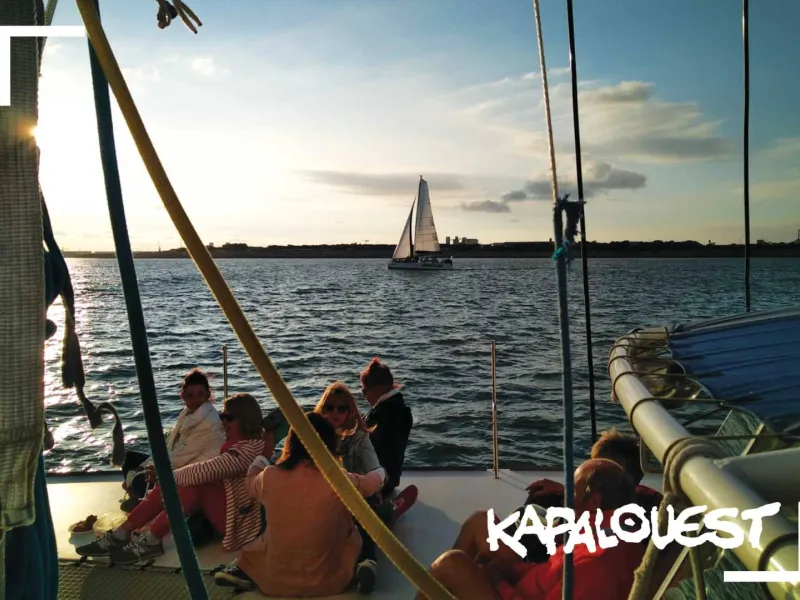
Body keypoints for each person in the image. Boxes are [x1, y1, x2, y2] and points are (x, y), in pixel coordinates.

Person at [76, 393, 269, 564]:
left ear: (245, 420)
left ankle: (150, 539)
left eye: (229, 417)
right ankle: (122, 533)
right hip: (229, 509)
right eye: (221, 416)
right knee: (180, 482)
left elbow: (205, 471)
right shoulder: (241, 444)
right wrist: (166, 478)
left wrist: (164, 476)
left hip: (240, 524)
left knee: (195, 484)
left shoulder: (247, 451)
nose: (223, 422)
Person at [415, 459, 647, 600]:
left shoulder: (594, 564)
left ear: (594, 501)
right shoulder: (606, 532)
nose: (565, 497)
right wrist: (507, 569)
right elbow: (549, 573)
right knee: (481, 524)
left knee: (452, 564)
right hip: (531, 585)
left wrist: (497, 580)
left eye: (571, 491)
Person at [216, 412, 387, 596]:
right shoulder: (338, 479)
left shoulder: (269, 476)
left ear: (292, 443)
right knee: (356, 532)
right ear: (329, 444)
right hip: (328, 582)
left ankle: (240, 568)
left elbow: (249, 484)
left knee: (263, 541)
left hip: (275, 582)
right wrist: (381, 472)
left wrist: (263, 456)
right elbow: (370, 484)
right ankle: (365, 562)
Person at [316, 381, 418, 589]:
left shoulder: (360, 438)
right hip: (326, 498)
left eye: (341, 408)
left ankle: (368, 562)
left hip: (358, 495)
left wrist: (371, 484)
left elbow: (374, 469)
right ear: (322, 409)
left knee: (366, 517)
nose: (334, 413)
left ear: (349, 412)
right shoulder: (313, 437)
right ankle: (388, 512)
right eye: (329, 407)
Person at [120, 368, 225, 512]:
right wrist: (144, 466)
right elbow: (169, 447)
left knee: (138, 481)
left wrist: (142, 471)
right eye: (190, 395)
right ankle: (136, 498)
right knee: (128, 459)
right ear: (183, 397)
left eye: (200, 394)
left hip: (190, 475)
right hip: (177, 465)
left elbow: (179, 458)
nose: (195, 400)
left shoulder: (208, 422)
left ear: (208, 394)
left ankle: (143, 504)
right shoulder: (188, 414)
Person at [524, 428, 664, 514]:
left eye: (597, 465)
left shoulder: (630, 504)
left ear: (616, 468)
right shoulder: (650, 499)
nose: (591, 468)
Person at [360, 358, 413, 499]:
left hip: (379, 483)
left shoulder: (384, 414)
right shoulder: (400, 410)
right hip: (389, 479)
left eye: (364, 391)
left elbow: (376, 451)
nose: (364, 396)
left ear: (377, 389)